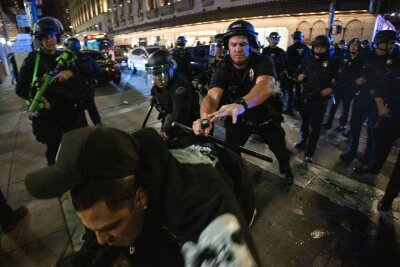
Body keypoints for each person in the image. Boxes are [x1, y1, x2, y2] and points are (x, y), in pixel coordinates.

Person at [25, 126, 260, 266]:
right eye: (93, 228)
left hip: (232, 179)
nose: (99, 239)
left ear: (140, 197)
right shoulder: (112, 180)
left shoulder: (201, 206)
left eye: (110, 226)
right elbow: (97, 244)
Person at [192, 20, 295, 184]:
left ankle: (286, 169)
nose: (237, 49)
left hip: (266, 119)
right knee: (232, 155)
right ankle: (237, 181)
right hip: (238, 121)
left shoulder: (263, 61)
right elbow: (212, 96)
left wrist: (241, 104)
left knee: (281, 151)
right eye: (233, 45)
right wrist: (205, 117)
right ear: (228, 46)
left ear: (251, 44)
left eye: (242, 44)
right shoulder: (223, 68)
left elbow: (265, 85)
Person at [16, 17, 82, 165]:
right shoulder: (32, 60)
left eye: (51, 35)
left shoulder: (65, 57)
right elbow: (21, 87)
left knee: (74, 145)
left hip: (69, 110)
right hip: (48, 115)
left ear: (56, 36)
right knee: (54, 150)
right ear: (39, 39)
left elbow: (81, 78)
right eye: (44, 37)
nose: (48, 40)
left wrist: (70, 74)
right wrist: (38, 98)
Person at [341, 30, 398, 164]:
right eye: (388, 42)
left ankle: (367, 155)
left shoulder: (394, 60)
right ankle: (351, 151)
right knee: (355, 126)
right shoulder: (364, 56)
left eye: (392, 43)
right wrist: (356, 80)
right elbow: (346, 72)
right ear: (379, 42)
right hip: (361, 98)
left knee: (373, 130)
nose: (391, 45)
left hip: (378, 102)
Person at [294, 35, 336, 163]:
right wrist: (298, 76)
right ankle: (303, 140)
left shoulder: (332, 62)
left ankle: (309, 152)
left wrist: (331, 89)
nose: (319, 50)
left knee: (315, 127)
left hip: (320, 100)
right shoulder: (307, 60)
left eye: (322, 47)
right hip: (305, 97)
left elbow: (339, 80)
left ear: (327, 48)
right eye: (317, 47)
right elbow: (297, 74)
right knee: (304, 123)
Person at [146, 49, 199, 139]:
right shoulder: (162, 82)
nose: (157, 79)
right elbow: (155, 87)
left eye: (160, 74)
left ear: (171, 69)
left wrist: (166, 134)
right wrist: (153, 95)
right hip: (170, 120)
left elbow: (179, 115)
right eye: (154, 75)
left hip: (187, 128)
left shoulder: (181, 87)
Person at [322, 38, 362, 131]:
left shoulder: (360, 60)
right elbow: (338, 70)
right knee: (333, 105)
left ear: (359, 47)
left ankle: (342, 125)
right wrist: (334, 78)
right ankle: (328, 123)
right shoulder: (344, 57)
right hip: (339, 87)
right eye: (351, 45)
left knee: (346, 108)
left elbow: (359, 75)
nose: (353, 47)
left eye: (355, 46)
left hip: (350, 89)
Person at [66, 37, 103, 127]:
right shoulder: (87, 58)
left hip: (75, 93)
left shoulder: (66, 61)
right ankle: (99, 127)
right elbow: (98, 71)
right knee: (92, 110)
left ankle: (86, 132)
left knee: (80, 114)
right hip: (88, 90)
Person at [285, 31, 312, 114]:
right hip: (302, 75)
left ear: (293, 38)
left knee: (290, 92)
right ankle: (298, 108)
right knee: (299, 91)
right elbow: (309, 62)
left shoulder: (290, 48)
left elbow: (287, 62)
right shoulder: (307, 49)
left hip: (292, 74)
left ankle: (289, 109)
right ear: (301, 38)